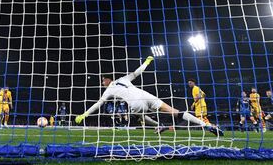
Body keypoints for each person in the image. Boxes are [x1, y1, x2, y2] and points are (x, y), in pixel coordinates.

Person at [75, 56, 223, 136]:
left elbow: (98, 104)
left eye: (102, 80)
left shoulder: (109, 90)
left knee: (139, 117)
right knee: (175, 112)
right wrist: (146, 62)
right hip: (145, 95)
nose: (102, 83)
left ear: (108, 79)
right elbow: (137, 72)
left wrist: (84, 114)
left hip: (135, 103)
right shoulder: (123, 79)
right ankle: (207, 126)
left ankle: (160, 126)